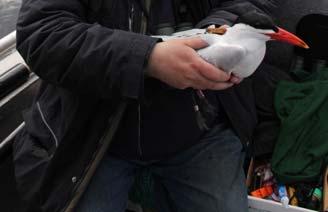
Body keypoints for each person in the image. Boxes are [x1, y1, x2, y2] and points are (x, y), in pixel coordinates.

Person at [13, 0, 276, 211]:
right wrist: (147, 58)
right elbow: (42, 32)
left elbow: (250, 5)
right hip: (90, 136)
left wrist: (215, 37)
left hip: (198, 131)